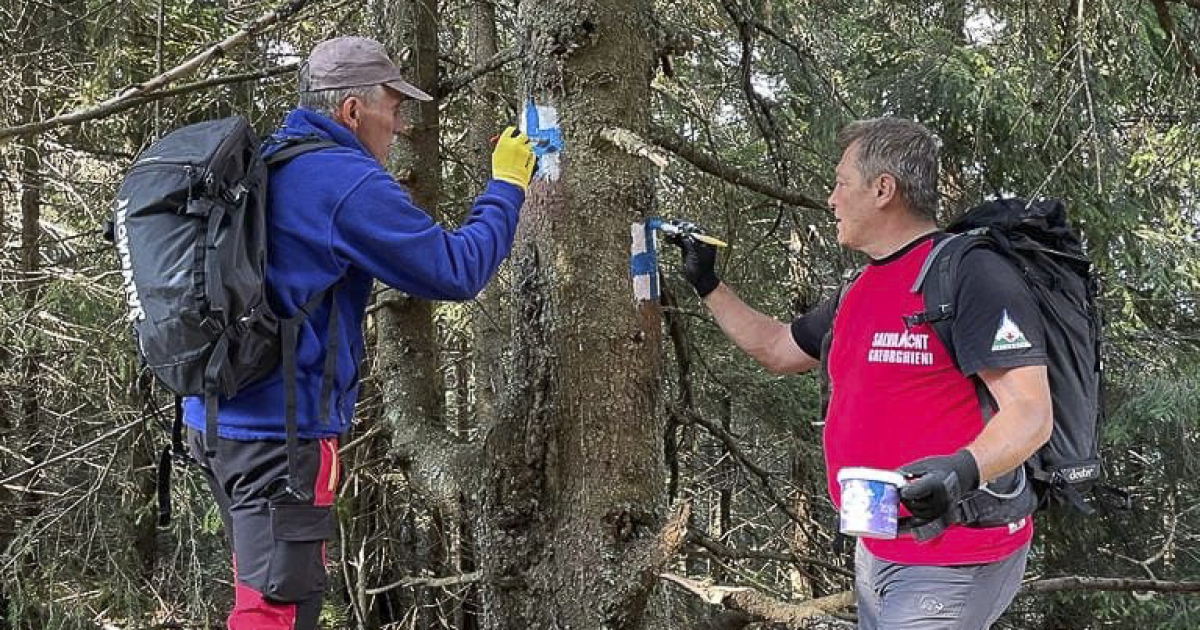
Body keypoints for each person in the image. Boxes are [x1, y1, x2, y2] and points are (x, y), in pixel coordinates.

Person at [182, 36, 535, 630]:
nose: (399, 129)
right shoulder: (341, 180)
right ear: (351, 110)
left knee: (258, 600)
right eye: (393, 111)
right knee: (278, 615)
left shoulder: (274, 157)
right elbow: (456, 270)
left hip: (214, 420)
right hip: (279, 443)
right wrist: (506, 186)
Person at [673, 117, 1052, 629]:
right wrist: (708, 284)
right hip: (877, 550)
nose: (831, 199)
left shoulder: (970, 274)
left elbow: (1031, 412)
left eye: (840, 183)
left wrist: (962, 469)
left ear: (882, 189)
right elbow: (778, 348)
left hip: (955, 556)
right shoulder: (859, 290)